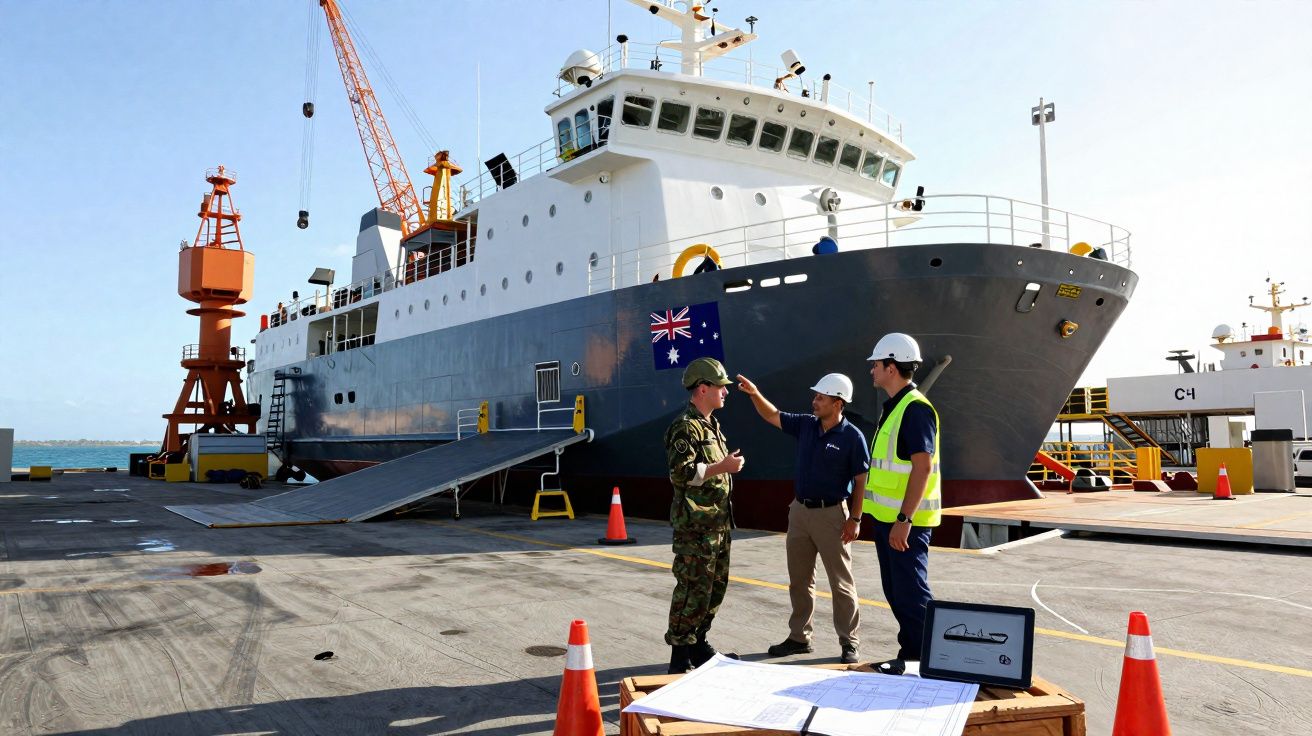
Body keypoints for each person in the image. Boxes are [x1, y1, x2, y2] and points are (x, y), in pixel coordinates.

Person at [737, 373, 870, 664]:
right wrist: (755, 393)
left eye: (820, 398)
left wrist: (855, 519)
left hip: (833, 514)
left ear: (837, 403)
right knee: (799, 580)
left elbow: (861, 481)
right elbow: (772, 415)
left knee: (841, 583)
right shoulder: (806, 425)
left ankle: (849, 641)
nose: (814, 401)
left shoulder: (852, 437)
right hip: (799, 512)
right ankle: (799, 638)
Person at [862, 333, 941, 675]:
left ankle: (931, 659)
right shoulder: (894, 408)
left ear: (891, 367)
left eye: (876, 365)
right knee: (897, 592)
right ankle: (910, 656)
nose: (872, 371)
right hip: (887, 519)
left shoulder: (915, 409)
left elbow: (922, 466)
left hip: (905, 522)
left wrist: (904, 519)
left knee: (911, 594)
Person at [664, 357, 746, 674]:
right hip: (695, 527)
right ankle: (680, 657)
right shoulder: (685, 427)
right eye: (720, 387)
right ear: (703, 388)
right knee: (691, 590)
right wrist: (721, 468)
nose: (725, 392)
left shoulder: (710, 426)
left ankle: (698, 645)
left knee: (714, 589)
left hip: (717, 524)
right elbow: (680, 473)